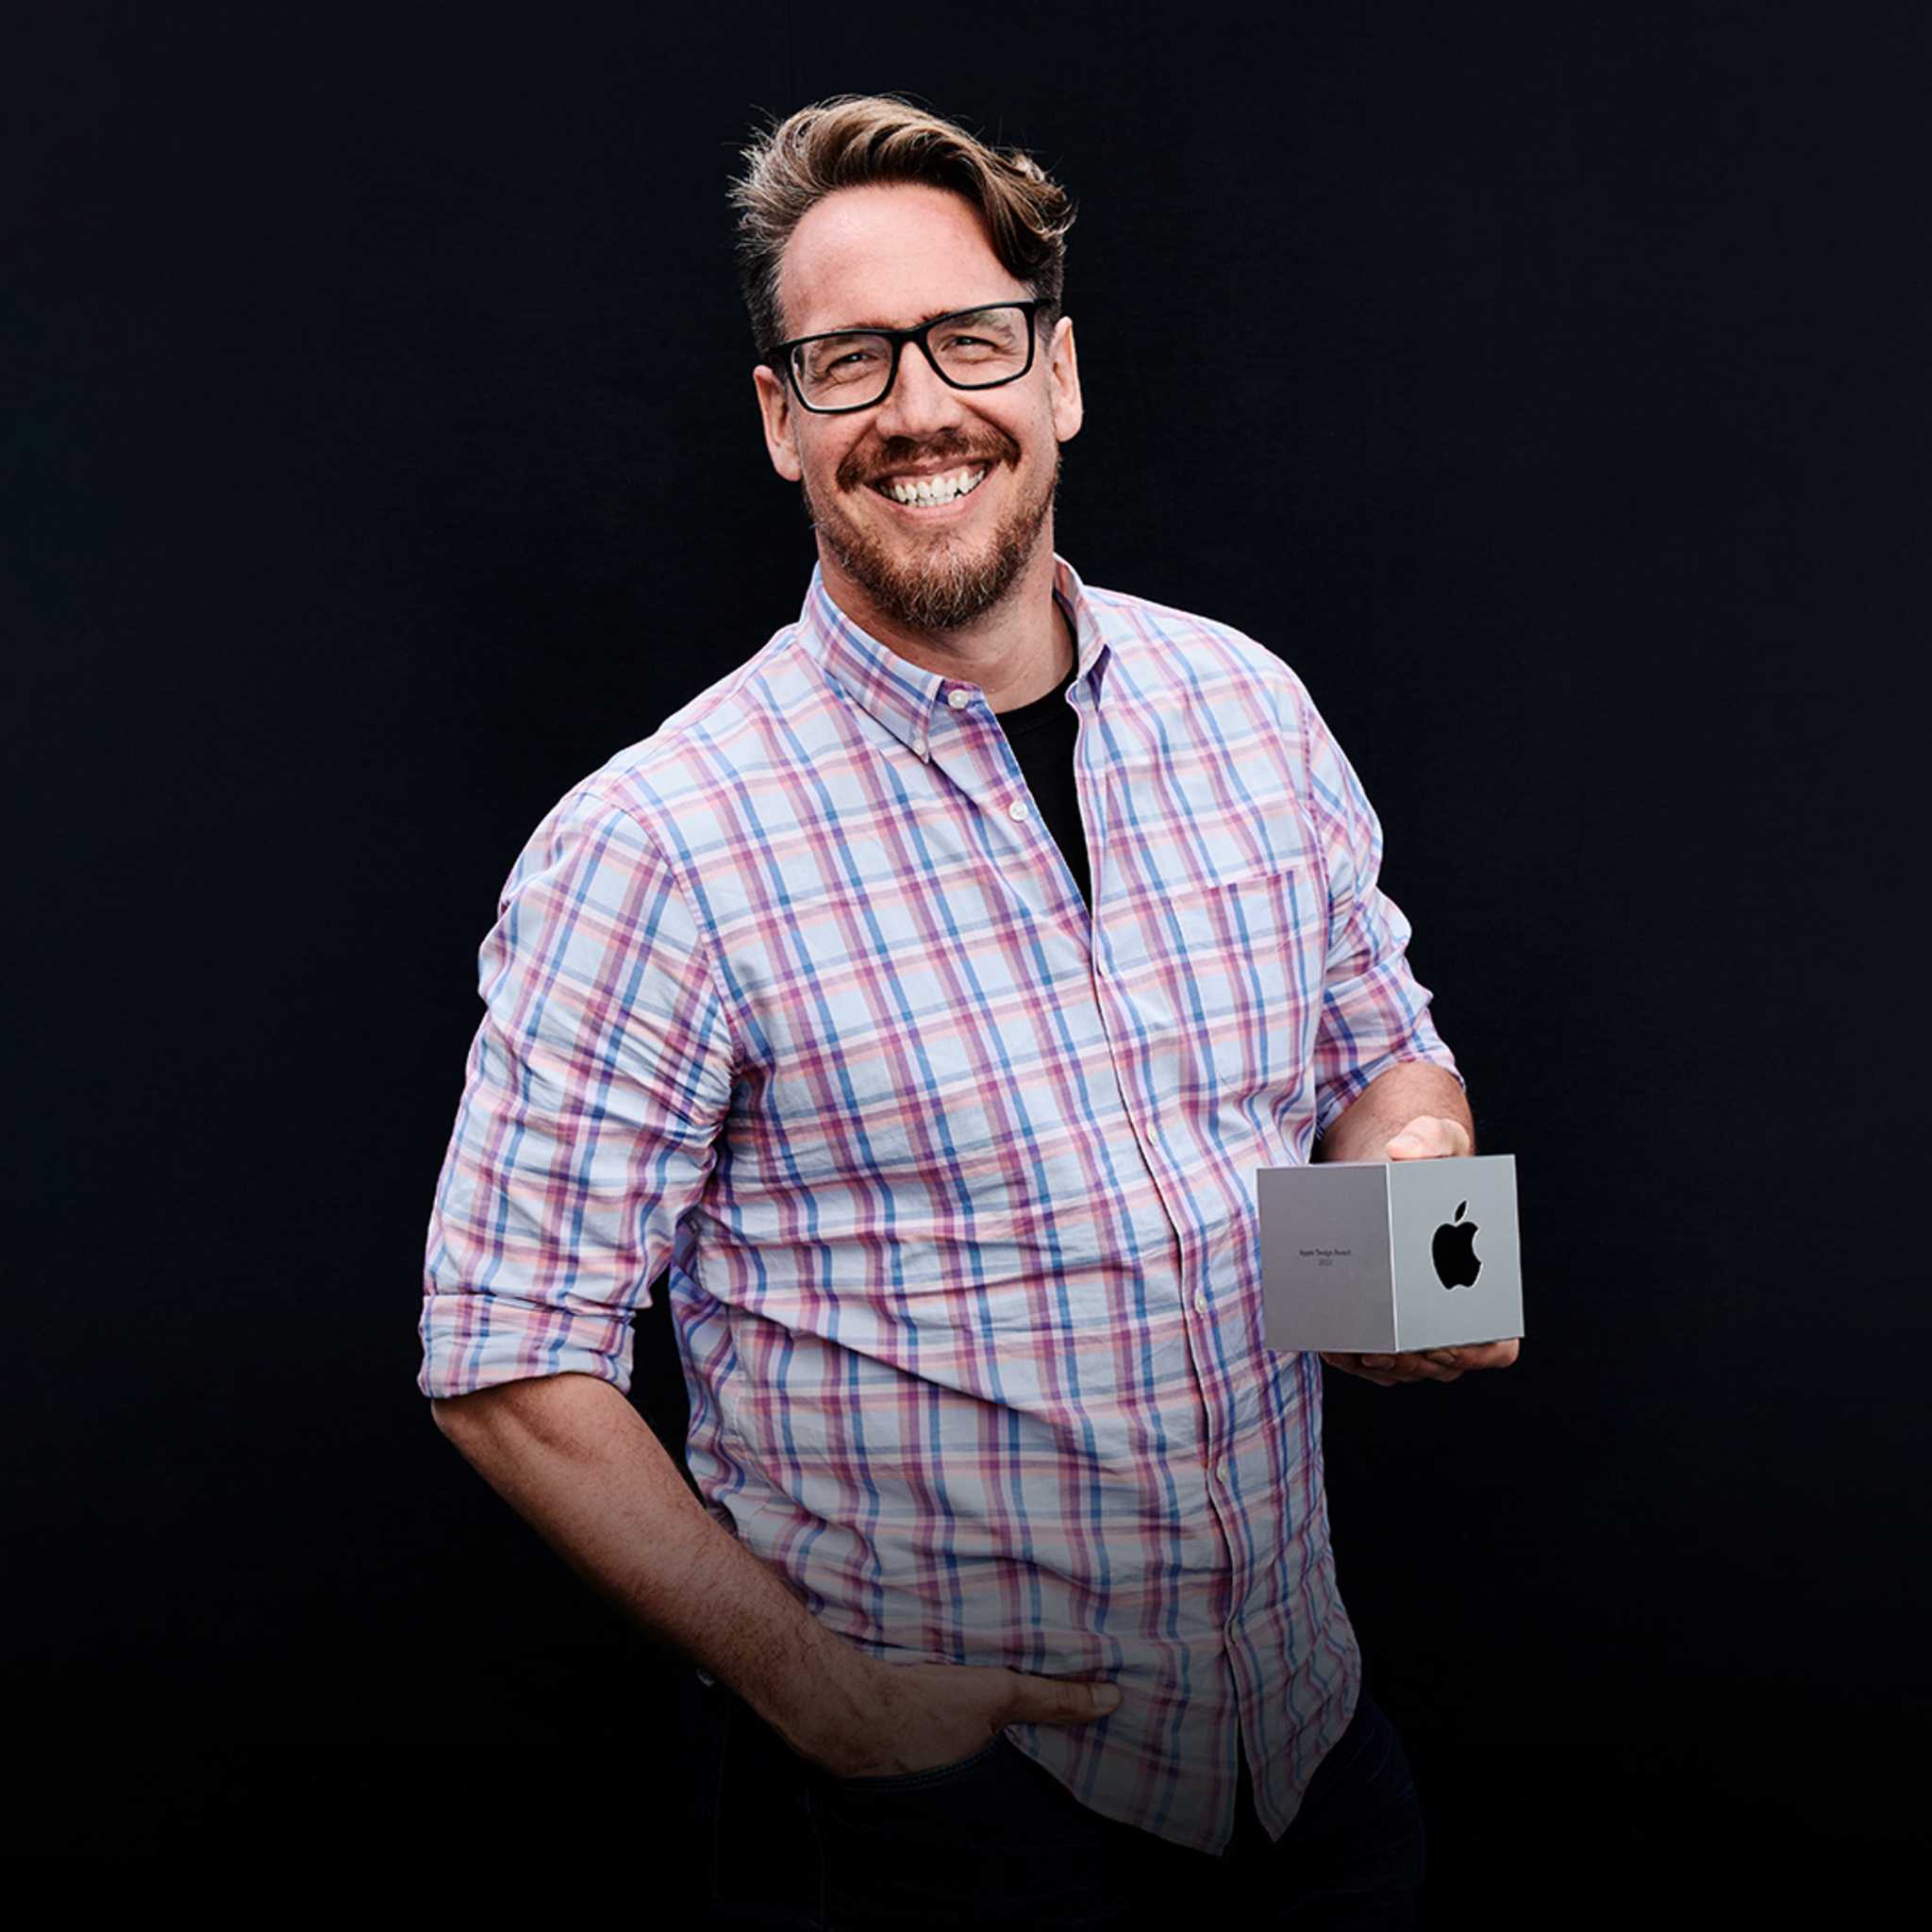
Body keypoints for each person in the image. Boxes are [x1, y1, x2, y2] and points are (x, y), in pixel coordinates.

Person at [421, 95, 1518, 1929]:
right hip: (938, 1829)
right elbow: (503, 1352)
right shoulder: (660, 844)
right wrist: (827, 1705)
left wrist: (1415, 1183)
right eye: (847, 360)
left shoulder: (1247, 711)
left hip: (1305, 1759)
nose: (919, 406)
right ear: (781, 418)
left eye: (968, 340)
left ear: (1058, 374)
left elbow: (1380, 1050)